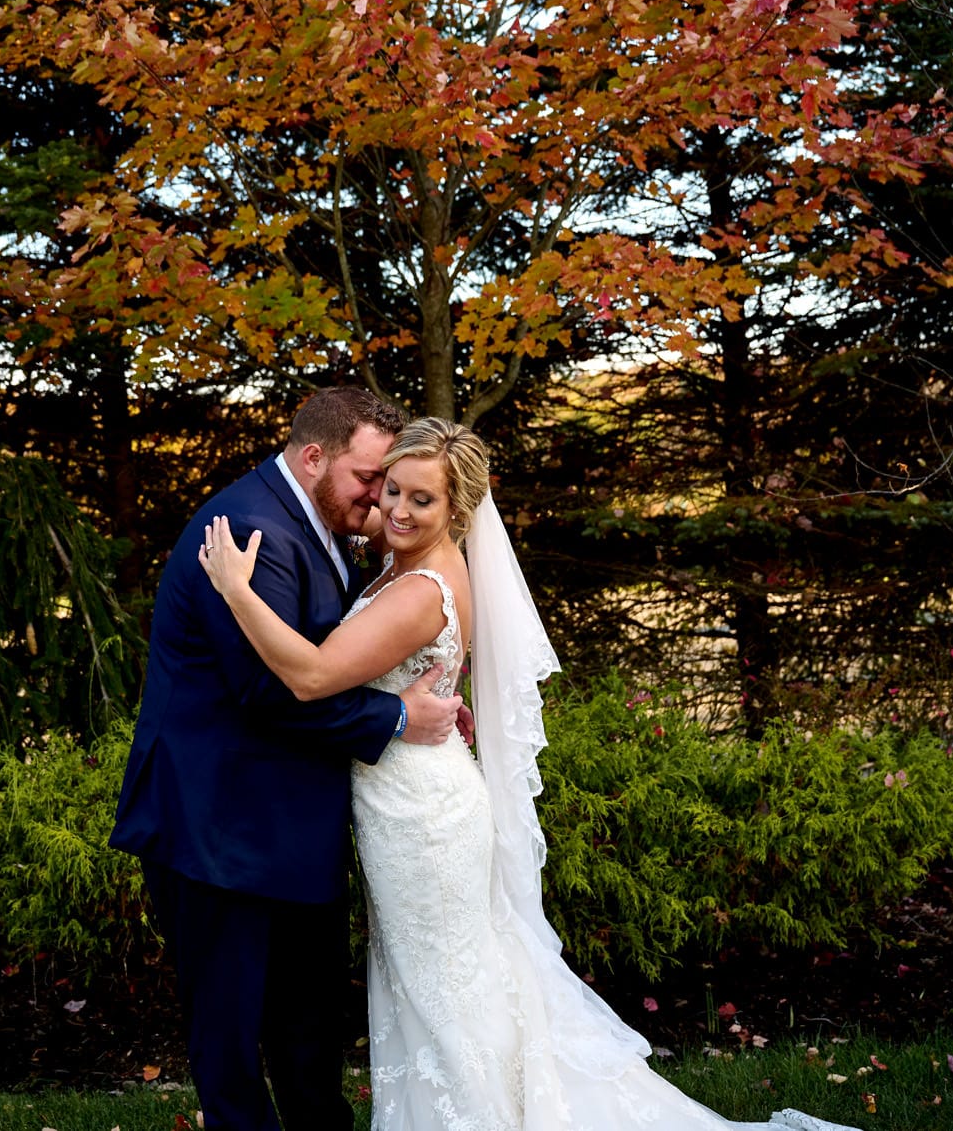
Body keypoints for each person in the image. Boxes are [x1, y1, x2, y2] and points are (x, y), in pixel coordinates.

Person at [199, 416, 851, 1131]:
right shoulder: (406, 562)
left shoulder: (423, 591)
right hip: (409, 794)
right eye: (392, 491)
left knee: (444, 990)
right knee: (434, 985)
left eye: (423, 501)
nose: (397, 511)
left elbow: (315, 674)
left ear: (459, 511)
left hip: (421, 815)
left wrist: (238, 591)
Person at [110, 388, 467, 1131]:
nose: (381, 501)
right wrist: (397, 714)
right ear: (314, 458)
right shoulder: (249, 530)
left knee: (308, 1027)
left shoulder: (328, 518)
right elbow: (269, 693)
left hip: (292, 826)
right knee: (231, 1033)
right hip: (217, 827)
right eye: (371, 480)